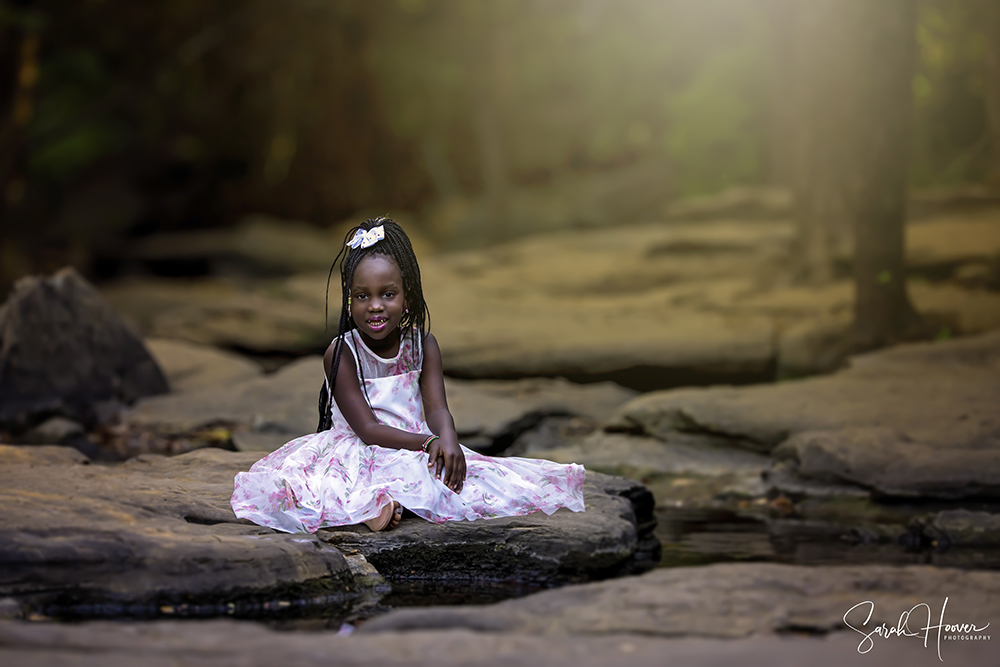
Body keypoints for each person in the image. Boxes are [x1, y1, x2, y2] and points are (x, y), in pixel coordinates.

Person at [231, 217, 586, 533]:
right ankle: (371, 506)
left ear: (407, 295)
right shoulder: (342, 354)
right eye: (361, 296)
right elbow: (368, 430)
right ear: (349, 299)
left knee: (469, 482)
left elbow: (436, 409)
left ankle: (388, 501)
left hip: (414, 444)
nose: (375, 306)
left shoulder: (423, 345)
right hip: (361, 447)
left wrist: (446, 438)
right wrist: (427, 443)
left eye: (388, 294)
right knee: (326, 485)